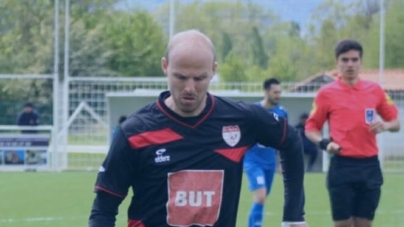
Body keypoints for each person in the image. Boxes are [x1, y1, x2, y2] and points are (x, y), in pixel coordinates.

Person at [89, 30, 308, 227]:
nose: (190, 88)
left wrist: (294, 216)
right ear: (165, 66)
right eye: (181, 77)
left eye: (200, 78)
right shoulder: (135, 132)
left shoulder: (241, 120)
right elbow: (103, 209)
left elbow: (291, 139)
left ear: (213, 70)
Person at [305, 39, 400, 227]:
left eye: (354, 60)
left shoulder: (376, 90)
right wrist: (326, 144)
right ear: (337, 62)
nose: (350, 64)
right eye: (345, 60)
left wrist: (385, 126)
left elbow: (396, 122)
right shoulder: (326, 93)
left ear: (361, 62)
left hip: (369, 166)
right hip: (342, 165)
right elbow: (311, 128)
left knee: (364, 224)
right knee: (343, 225)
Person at [243, 78, 288, 227]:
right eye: (275, 92)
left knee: (261, 198)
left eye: (279, 92)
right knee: (260, 196)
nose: (278, 95)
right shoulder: (254, 111)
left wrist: (282, 162)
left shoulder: (282, 113)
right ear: (266, 92)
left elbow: (284, 140)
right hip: (253, 161)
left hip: (270, 162)